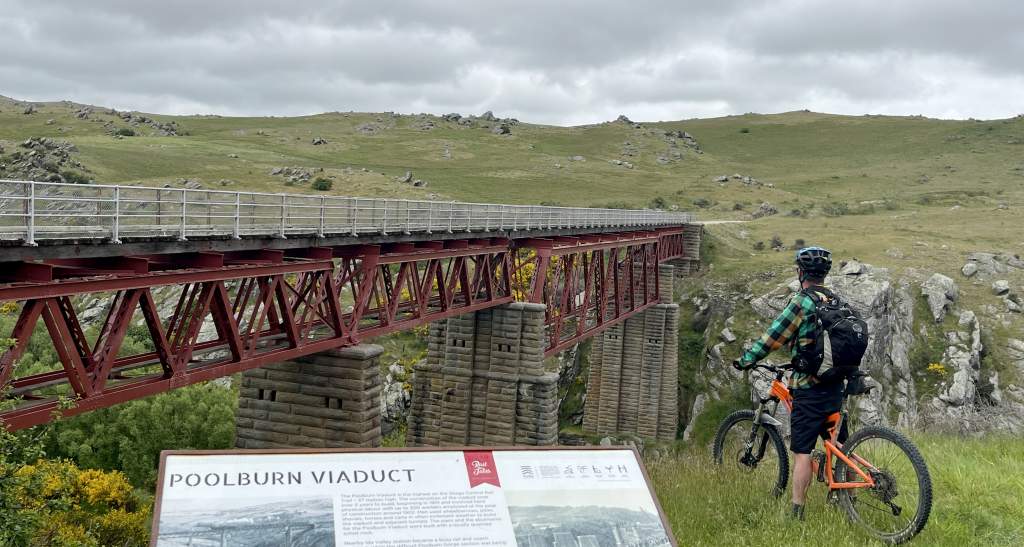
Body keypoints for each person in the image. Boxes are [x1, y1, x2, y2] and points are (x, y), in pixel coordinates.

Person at [733, 246, 848, 521]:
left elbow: (774, 337)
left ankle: (796, 513)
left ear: (800, 273)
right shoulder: (835, 300)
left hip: (808, 388)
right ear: (824, 274)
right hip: (835, 384)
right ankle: (849, 504)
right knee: (840, 448)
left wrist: (748, 359)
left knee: (802, 452)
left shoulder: (802, 301)